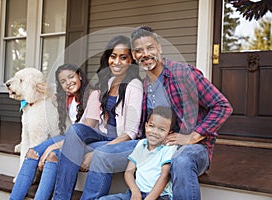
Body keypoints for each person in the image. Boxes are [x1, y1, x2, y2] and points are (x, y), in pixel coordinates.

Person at [130, 26, 233, 200]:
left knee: (181, 160)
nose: (145, 54)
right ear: (134, 56)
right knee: (104, 155)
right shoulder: (144, 85)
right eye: (139, 51)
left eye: (150, 47)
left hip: (193, 148)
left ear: (159, 48)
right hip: (156, 148)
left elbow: (222, 106)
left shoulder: (183, 73)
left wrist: (192, 137)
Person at [52, 35, 143, 199]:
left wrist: (96, 151)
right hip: (104, 136)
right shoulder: (109, 82)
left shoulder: (134, 86)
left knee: (98, 155)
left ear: (131, 61)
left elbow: (130, 133)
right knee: (76, 130)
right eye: (113, 56)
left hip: (122, 142)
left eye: (123, 57)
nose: (117, 62)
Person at [9, 63, 101, 200]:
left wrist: (51, 147)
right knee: (32, 152)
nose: (68, 83)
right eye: (63, 81)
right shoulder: (64, 98)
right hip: (69, 138)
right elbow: (44, 91)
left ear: (80, 76)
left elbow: (84, 132)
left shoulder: (94, 95)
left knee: (52, 154)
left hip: (88, 140)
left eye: (71, 77)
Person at [99, 106, 178, 200]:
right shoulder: (141, 144)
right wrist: (135, 191)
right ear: (146, 126)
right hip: (136, 194)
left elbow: (164, 175)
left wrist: (149, 198)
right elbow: (129, 172)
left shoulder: (169, 147)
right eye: (152, 126)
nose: (154, 132)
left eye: (161, 129)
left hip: (159, 196)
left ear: (169, 133)